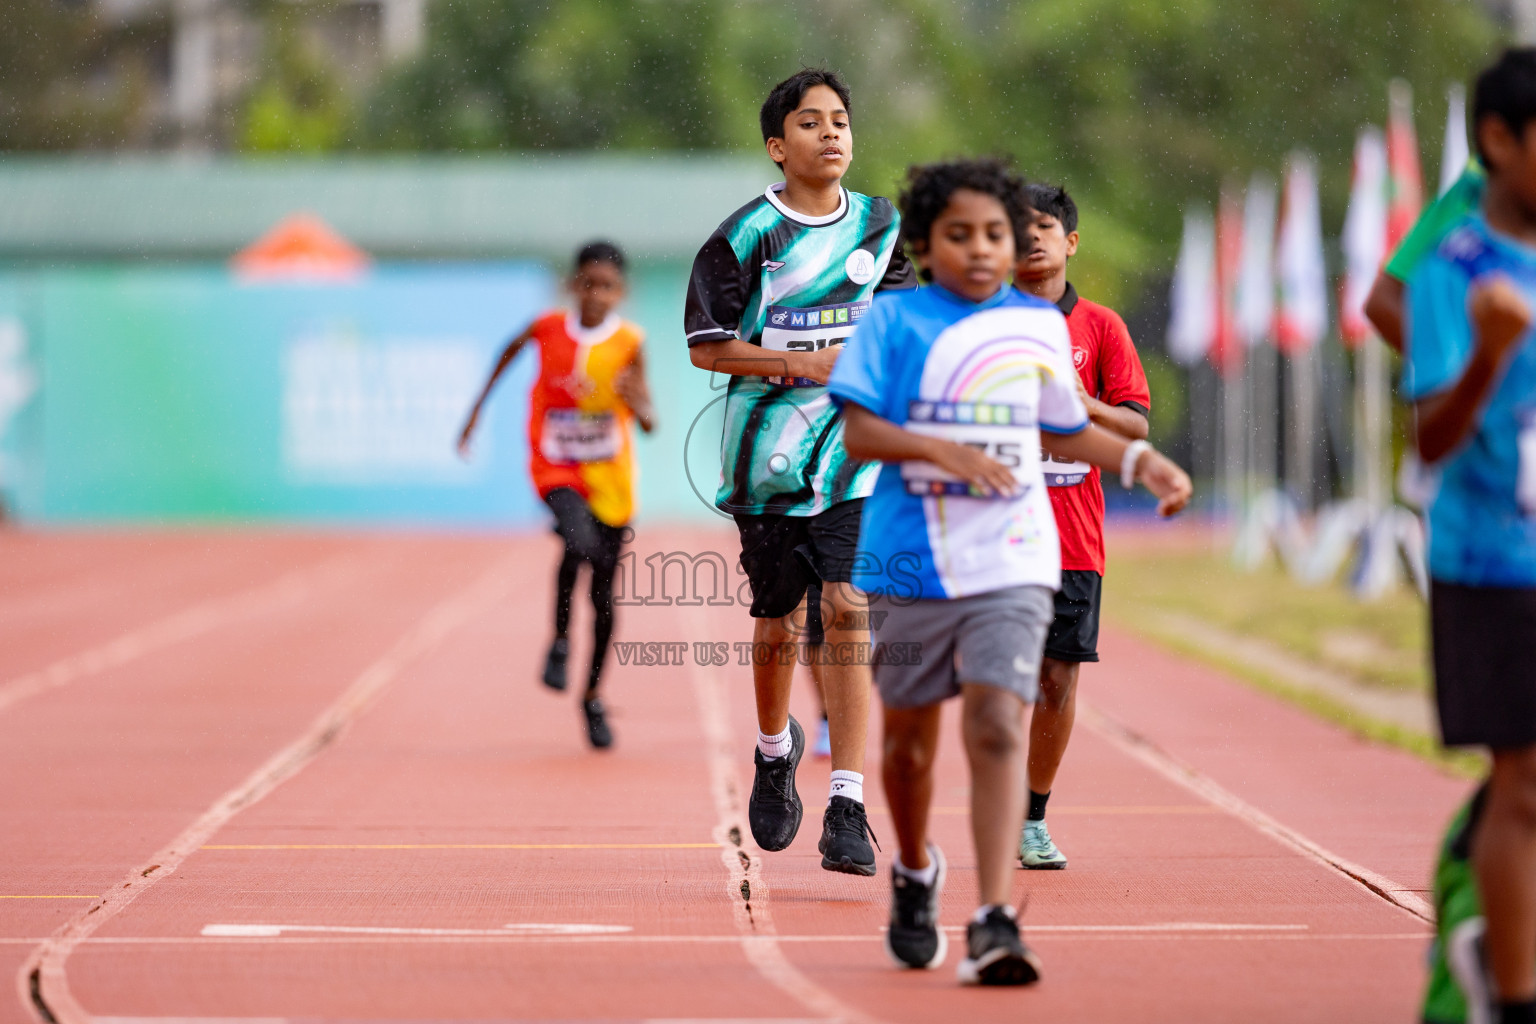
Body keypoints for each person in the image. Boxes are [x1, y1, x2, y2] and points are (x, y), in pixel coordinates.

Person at [828, 158, 1191, 984]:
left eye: (997, 234)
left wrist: (1143, 462)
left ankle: (993, 917)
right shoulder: (891, 324)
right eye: (963, 235)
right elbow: (859, 434)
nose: (986, 249)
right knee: (910, 750)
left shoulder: (1035, 330)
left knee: (996, 723)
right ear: (924, 243)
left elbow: (1066, 430)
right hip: (913, 561)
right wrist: (937, 447)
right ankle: (917, 870)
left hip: (1015, 560)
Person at [684, 67, 915, 874]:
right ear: (779, 147)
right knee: (780, 620)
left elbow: (901, 326)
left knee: (848, 609)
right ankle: (773, 751)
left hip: (852, 453)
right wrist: (802, 361)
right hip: (764, 458)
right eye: (812, 124)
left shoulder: (881, 228)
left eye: (842, 121)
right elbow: (707, 348)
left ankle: (848, 802)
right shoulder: (745, 236)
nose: (832, 134)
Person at [1403, 47, 1536, 1024]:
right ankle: (1514, 994)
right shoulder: (1458, 268)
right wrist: (1491, 353)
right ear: (1499, 140)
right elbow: (1433, 436)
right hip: (1495, 557)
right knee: (1523, 776)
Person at [458, 241, 655, 750]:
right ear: (573, 285)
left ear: (621, 293)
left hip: (610, 480)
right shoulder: (546, 329)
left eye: (607, 286)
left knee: (604, 597)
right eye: (588, 283)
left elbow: (649, 417)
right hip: (556, 467)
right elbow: (506, 352)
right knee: (578, 542)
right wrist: (476, 411)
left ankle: (592, 696)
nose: (596, 295)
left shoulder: (631, 342)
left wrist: (643, 408)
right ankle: (561, 640)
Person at [1011, 183, 1151, 870]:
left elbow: (1136, 421)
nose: (1030, 239)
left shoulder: (1100, 328)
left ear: (1070, 241)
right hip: (995, 534)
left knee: (1057, 682)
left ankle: (1031, 817)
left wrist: (1079, 405)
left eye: (1044, 226)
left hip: (1074, 537)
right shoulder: (978, 323)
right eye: (1016, 229)